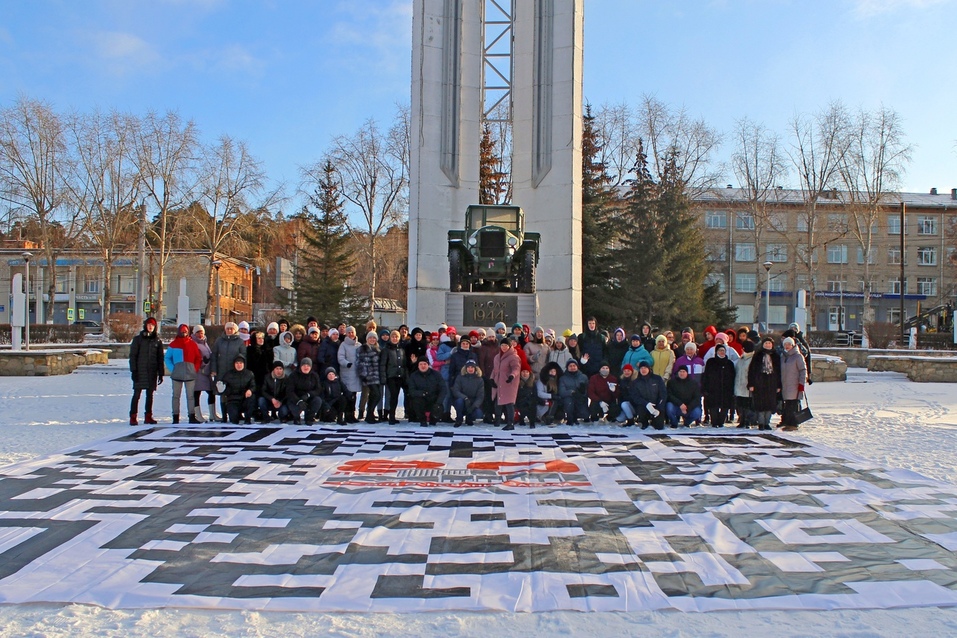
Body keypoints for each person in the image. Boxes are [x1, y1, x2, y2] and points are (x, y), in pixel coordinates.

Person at [164, 323, 202, 424]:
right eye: (182, 331)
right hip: (177, 374)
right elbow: (167, 358)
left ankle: (192, 416)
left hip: (190, 374)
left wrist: (195, 369)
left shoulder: (192, 344)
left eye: (185, 331)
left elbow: (198, 358)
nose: (184, 333)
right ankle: (175, 417)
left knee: (190, 396)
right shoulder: (173, 344)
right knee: (176, 396)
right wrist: (173, 369)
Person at [129, 317, 164, 425]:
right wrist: (134, 370)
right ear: (145, 326)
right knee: (137, 394)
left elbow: (160, 358)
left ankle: (148, 416)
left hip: (152, 372)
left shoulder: (157, 341)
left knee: (150, 395)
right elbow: (133, 356)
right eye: (149, 325)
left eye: (152, 325)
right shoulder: (138, 339)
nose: (150, 327)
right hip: (140, 371)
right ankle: (133, 416)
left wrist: (161, 373)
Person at [210, 322, 246, 422]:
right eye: (228, 328)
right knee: (222, 393)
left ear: (235, 330)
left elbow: (243, 356)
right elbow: (214, 355)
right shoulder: (219, 341)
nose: (229, 330)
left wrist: (240, 368)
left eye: (231, 329)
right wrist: (213, 369)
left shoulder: (239, 342)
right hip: (221, 371)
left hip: (234, 372)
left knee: (234, 392)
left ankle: (235, 413)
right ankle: (224, 415)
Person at [748, 336, 782, 430]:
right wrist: (751, 384)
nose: (768, 345)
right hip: (759, 381)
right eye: (766, 343)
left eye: (769, 343)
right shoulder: (758, 355)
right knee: (760, 403)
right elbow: (752, 370)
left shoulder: (776, 356)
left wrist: (779, 385)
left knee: (770, 404)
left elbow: (779, 371)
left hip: (772, 382)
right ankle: (761, 423)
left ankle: (767, 422)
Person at [702, 344, 736, 426]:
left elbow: (733, 376)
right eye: (720, 350)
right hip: (713, 388)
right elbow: (706, 375)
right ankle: (714, 421)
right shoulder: (711, 362)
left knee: (725, 406)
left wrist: (732, 389)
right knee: (713, 406)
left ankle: (721, 422)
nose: (722, 352)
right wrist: (705, 388)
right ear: (716, 352)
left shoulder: (729, 363)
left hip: (726, 389)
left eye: (723, 351)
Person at [490, 338, 521, 429]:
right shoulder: (497, 357)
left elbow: (516, 368)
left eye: (506, 345)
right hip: (498, 382)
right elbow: (495, 369)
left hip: (509, 382)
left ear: (509, 346)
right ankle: (497, 420)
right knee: (498, 402)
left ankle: (510, 423)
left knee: (509, 403)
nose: (504, 347)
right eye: (502, 345)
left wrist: (512, 376)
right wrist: (492, 379)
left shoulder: (514, 357)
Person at [626, 361, 667, 430]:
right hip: (644, 405)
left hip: (656, 405)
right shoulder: (636, 382)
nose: (643, 370)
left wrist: (659, 407)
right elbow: (635, 397)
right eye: (641, 368)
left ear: (649, 369)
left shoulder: (657, 379)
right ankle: (643, 421)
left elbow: (663, 394)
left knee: (659, 426)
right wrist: (646, 404)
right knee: (643, 424)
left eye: (645, 368)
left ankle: (654, 420)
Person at [407, 357, 447, 426]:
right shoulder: (413, 376)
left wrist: (438, 402)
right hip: (421, 399)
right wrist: (422, 393)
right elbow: (411, 390)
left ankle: (433, 419)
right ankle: (422, 420)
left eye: (425, 364)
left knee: (438, 407)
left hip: (434, 399)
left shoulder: (436, 374)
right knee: (416, 402)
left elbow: (443, 389)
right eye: (421, 364)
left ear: (428, 365)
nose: (423, 366)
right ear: (418, 365)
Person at [779, 336, 808, 431]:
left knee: (793, 404)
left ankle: (793, 423)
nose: (787, 346)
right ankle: (786, 421)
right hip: (785, 385)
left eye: (789, 344)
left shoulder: (798, 356)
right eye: (785, 344)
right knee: (787, 404)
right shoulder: (783, 356)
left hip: (794, 385)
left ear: (793, 345)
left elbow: (803, 370)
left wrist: (801, 383)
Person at [218, 354, 256, 424]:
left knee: (252, 398)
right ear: (234, 364)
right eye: (237, 363)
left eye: (241, 363)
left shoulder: (249, 374)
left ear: (244, 364)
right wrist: (223, 389)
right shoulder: (228, 375)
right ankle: (234, 415)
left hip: (245, 399)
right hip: (233, 401)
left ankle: (248, 419)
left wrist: (250, 390)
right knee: (234, 420)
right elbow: (224, 388)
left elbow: (253, 385)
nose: (239, 365)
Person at [379, 330, 406, 425]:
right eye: (393, 337)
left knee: (396, 396)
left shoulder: (401, 350)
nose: (395, 339)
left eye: (396, 337)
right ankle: (391, 416)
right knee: (392, 396)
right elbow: (383, 364)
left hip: (399, 376)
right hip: (391, 376)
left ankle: (393, 415)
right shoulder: (386, 350)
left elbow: (403, 364)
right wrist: (383, 377)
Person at [286, 357, 323, 425]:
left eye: (308, 365)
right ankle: (296, 417)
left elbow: (318, 389)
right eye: (304, 365)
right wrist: (298, 401)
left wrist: (308, 395)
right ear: (300, 366)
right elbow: (289, 391)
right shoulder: (293, 375)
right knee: (293, 406)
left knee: (318, 400)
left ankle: (309, 418)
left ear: (311, 367)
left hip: (308, 397)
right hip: (296, 398)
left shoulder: (314, 375)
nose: (306, 367)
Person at [356, 331, 383, 424]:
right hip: (368, 376)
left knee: (374, 395)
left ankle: (370, 414)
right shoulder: (363, 349)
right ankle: (369, 413)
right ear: (367, 339)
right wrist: (364, 375)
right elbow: (361, 363)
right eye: (370, 338)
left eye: (374, 338)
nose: (372, 339)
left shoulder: (378, 349)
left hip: (376, 376)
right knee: (376, 394)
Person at [337, 326, 361, 423]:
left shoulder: (359, 345)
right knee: (348, 395)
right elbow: (340, 357)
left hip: (356, 374)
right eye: (349, 332)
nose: (351, 334)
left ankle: (352, 414)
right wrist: (347, 363)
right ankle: (347, 414)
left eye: (352, 332)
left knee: (354, 395)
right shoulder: (343, 345)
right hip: (347, 372)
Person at [192, 325, 214, 423]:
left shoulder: (205, 343)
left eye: (201, 332)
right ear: (194, 333)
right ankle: (198, 415)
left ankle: (213, 414)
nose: (200, 334)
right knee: (197, 393)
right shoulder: (193, 343)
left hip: (206, 372)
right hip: (198, 372)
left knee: (211, 392)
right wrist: (203, 362)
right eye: (198, 332)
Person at [451, 360, 484, 427]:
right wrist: (465, 398)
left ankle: (470, 418)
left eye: (472, 367)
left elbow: (480, 396)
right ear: (465, 368)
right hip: (462, 401)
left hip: (472, 403)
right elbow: (456, 390)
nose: (470, 369)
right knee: (459, 402)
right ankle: (459, 418)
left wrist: (474, 406)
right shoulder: (460, 377)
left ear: (475, 368)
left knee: (479, 414)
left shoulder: (479, 380)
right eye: (468, 367)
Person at [558, 359, 589, 425]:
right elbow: (562, 392)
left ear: (577, 366)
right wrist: (571, 392)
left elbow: (588, 390)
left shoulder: (583, 377)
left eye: (574, 365)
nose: (572, 367)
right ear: (567, 367)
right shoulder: (563, 378)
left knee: (584, 413)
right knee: (569, 402)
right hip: (568, 398)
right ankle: (570, 418)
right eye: (570, 366)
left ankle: (582, 416)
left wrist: (583, 392)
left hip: (580, 398)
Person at [733, 341, 756, 428]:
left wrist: (752, 384)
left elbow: (753, 374)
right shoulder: (741, 359)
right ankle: (742, 420)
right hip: (739, 385)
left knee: (748, 405)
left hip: (747, 386)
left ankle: (748, 421)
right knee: (740, 404)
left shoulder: (753, 359)